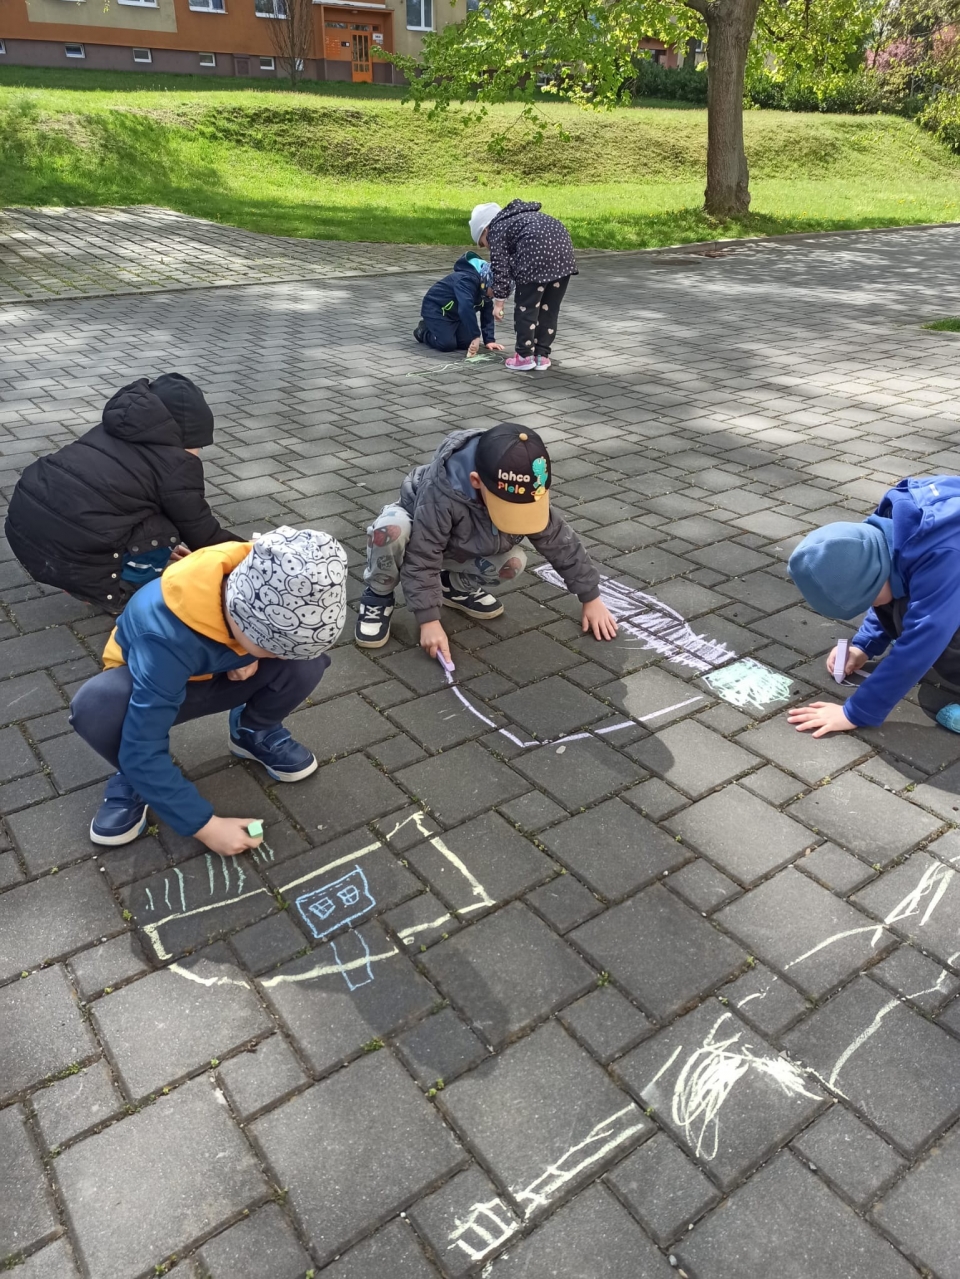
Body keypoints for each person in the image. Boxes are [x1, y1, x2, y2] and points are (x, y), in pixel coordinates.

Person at [69, 526, 347, 851]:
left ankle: (252, 731)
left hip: (215, 670)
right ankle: (134, 776)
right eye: (271, 648)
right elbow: (143, 742)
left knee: (306, 663)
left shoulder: (259, 567)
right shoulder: (162, 635)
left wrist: (245, 651)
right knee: (97, 707)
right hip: (156, 686)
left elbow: (267, 634)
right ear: (243, 620)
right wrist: (205, 826)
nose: (279, 658)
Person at [353, 422, 617, 658]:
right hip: (418, 534)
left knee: (513, 562)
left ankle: (452, 587)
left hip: (459, 545)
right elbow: (423, 556)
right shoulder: (442, 494)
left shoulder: (522, 482)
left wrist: (590, 597)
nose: (518, 512)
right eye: (508, 505)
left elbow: (560, 542)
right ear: (476, 481)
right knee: (391, 530)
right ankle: (377, 596)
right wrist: (429, 621)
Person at [5, 374, 239, 615]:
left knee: (142, 511)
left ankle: (79, 581)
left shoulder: (110, 431)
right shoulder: (176, 464)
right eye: (198, 445)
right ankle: (121, 596)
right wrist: (247, 553)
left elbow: (110, 501)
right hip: (74, 555)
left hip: (29, 538)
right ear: (183, 437)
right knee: (166, 527)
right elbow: (200, 530)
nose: (198, 452)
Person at [786, 476, 960, 738]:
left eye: (870, 600)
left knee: (935, 627)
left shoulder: (943, 555)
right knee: (902, 601)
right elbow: (892, 584)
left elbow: (923, 639)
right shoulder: (892, 530)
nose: (873, 607)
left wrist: (854, 712)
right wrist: (863, 645)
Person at [469, 200, 577, 373]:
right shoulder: (520, 218)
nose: (486, 247)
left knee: (527, 307)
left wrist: (498, 303)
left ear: (485, 229)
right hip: (563, 258)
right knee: (549, 309)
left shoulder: (496, 230)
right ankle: (541, 356)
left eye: (482, 242)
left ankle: (524, 357)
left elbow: (500, 268)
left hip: (534, 257)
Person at [414, 252, 504, 357]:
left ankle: (447, 330)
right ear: (488, 282)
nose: (496, 295)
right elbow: (466, 308)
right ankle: (423, 330)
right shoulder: (466, 280)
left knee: (466, 343)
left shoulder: (486, 292)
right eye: (495, 291)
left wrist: (489, 340)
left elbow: (487, 313)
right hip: (436, 309)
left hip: (456, 314)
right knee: (446, 344)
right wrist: (475, 335)